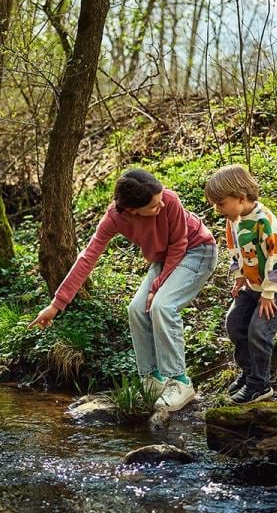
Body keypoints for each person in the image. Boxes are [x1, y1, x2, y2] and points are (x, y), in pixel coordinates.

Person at [30, 169, 217, 411]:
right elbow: (87, 257)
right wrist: (56, 305)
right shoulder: (114, 218)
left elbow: (179, 244)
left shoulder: (169, 201)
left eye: (160, 201)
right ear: (132, 210)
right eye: (153, 206)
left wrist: (156, 287)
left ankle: (179, 383)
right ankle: (152, 381)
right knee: (136, 309)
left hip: (197, 251)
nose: (160, 206)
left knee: (162, 306)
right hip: (165, 261)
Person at [205, 164, 277, 405]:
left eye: (221, 203)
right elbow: (235, 249)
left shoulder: (265, 222)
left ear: (241, 197)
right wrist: (239, 277)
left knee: (259, 330)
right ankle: (249, 374)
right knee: (235, 323)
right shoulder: (233, 219)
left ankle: (260, 385)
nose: (217, 210)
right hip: (253, 285)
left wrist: (268, 294)